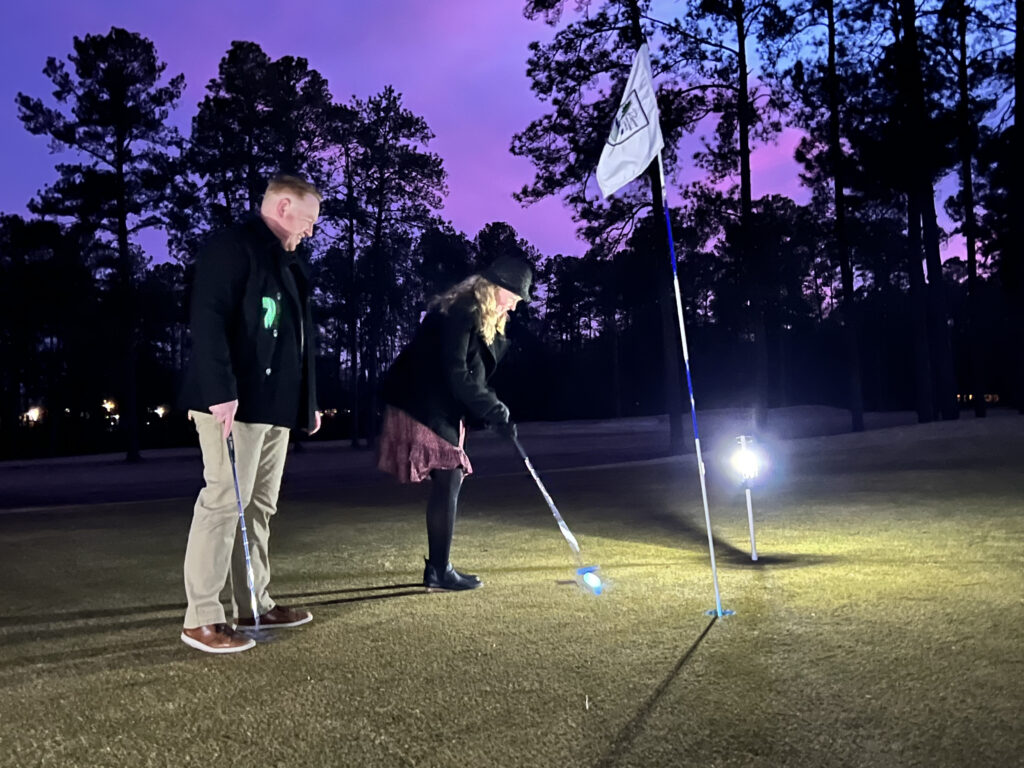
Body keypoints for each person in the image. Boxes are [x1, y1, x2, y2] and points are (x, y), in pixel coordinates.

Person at [177, 174, 322, 653]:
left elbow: (300, 340)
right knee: (223, 502)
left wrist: (306, 403)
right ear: (283, 207)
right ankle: (201, 618)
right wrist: (221, 390)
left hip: (274, 407)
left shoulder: (288, 260)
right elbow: (208, 317)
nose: (311, 229)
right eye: (308, 218)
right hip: (232, 404)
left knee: (259, 506)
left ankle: (254, 602)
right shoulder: (232, 247)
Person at [378, 255, 532, 591]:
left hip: (440, 403)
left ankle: (438, 569)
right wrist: (493, 409)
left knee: (451, 479)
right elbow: (456, 372)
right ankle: (439, 571)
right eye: (515, 297)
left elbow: (472, 374)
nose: (516, 306)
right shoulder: (464, 310)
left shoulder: (478, 314)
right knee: (450, 475)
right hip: (422, 399)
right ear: (499, 287)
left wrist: (495, 412)